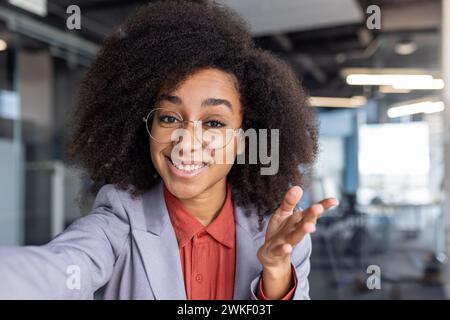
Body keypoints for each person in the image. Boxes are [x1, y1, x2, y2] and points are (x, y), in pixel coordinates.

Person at [0, 0, 338, 300]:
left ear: (243, 140)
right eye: (169, 117)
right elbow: (60, 270)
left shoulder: (277, 233)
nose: (187, 141)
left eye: (214, 123)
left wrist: (276, 272)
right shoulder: (120, 218)